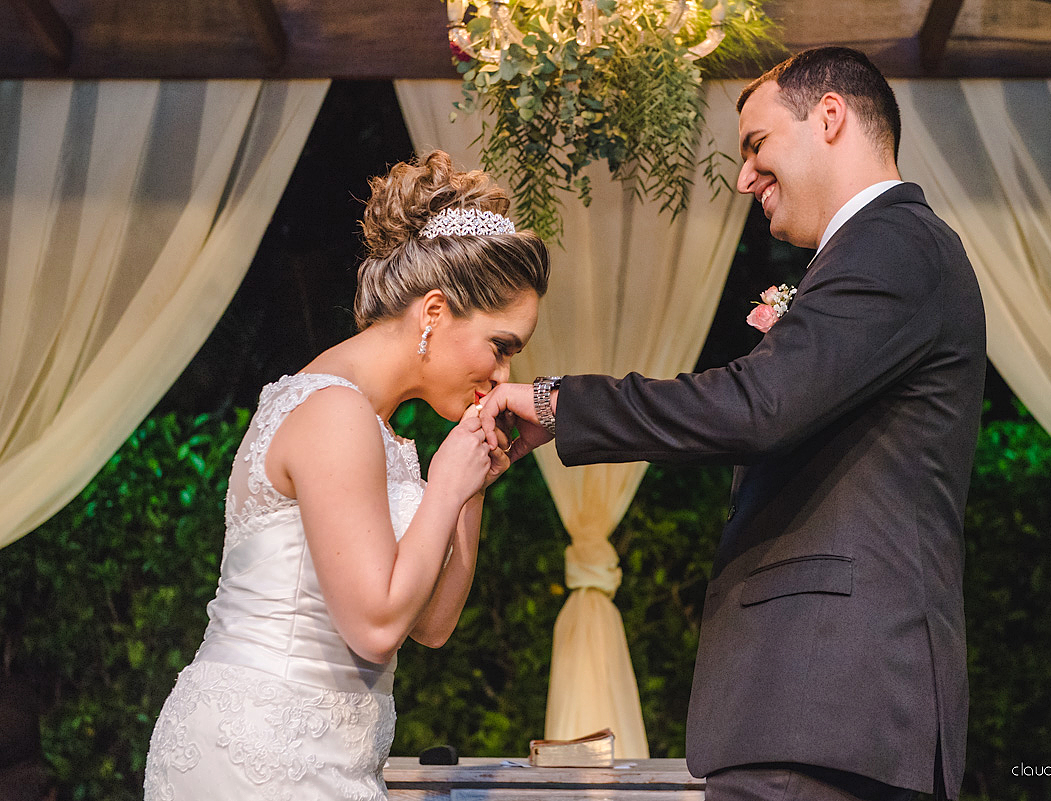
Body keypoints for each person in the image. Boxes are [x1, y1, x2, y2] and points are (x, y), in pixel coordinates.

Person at [480, 47, 986, 801]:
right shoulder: (884, 250)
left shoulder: (892, 243)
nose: (745, 176)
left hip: (830, 702)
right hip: (822, 712)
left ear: (831, 117)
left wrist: (561, 404)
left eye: (756, 146)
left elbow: (759, 406)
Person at [144, 150, 549, 800]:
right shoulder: (334, 410)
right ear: (435, 312)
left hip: (329, 755)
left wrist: (469, 483)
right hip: (258, 752)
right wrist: (445, 481)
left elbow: (432, 622)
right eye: (501, 346)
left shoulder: (376, 426)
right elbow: (376, 626)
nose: (503, 374)